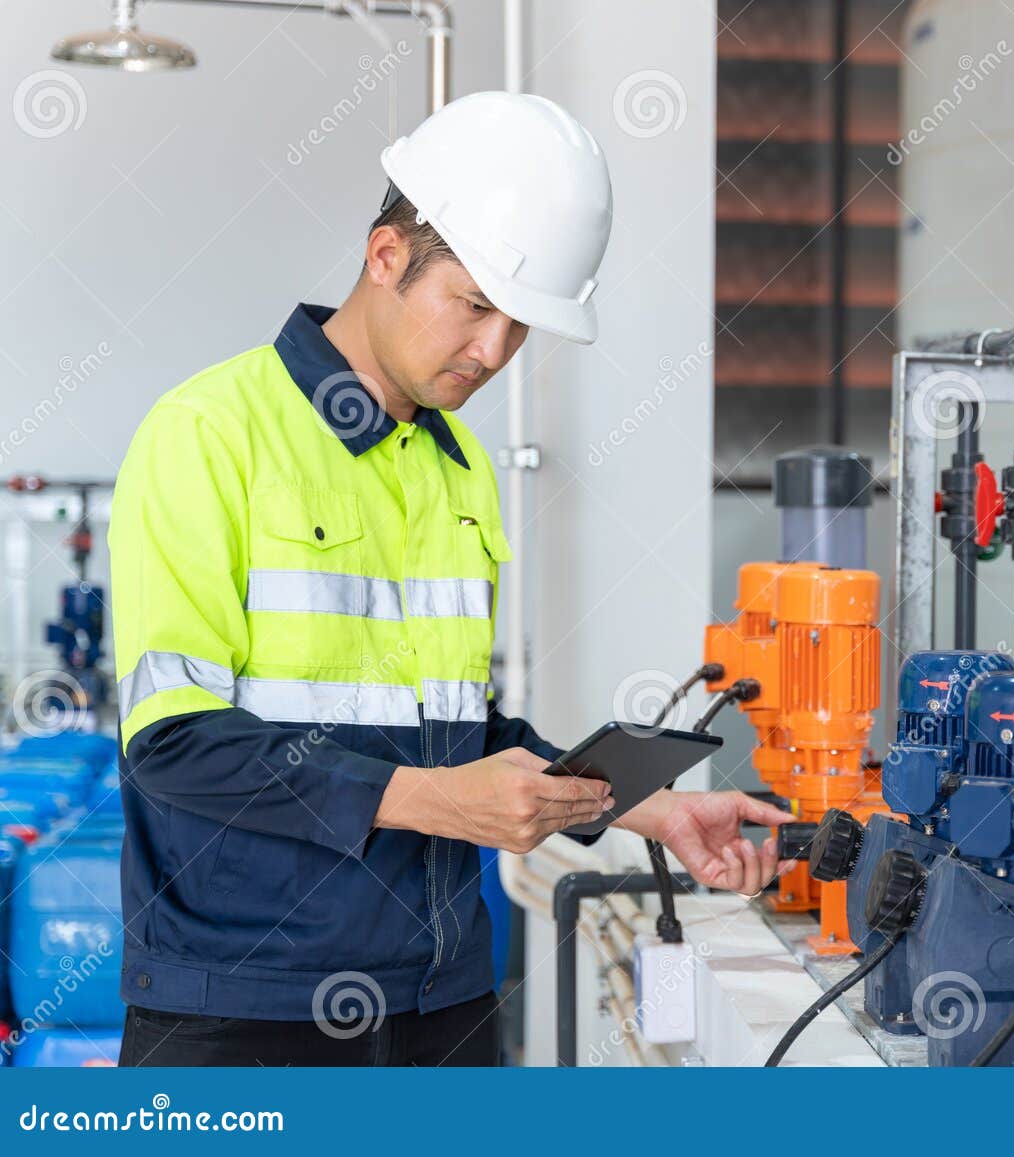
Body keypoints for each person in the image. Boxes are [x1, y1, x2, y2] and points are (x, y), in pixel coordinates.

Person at [111, 92, 792, 1067]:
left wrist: (643, 806)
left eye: (518, 326)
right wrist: (433, 798)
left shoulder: (454, 462)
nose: (493, 352)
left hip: (443, 997)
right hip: (243, 1008)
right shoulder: (208, 434)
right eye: (474, 306)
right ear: (386, 256)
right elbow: (173, 744)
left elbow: (455, 730)